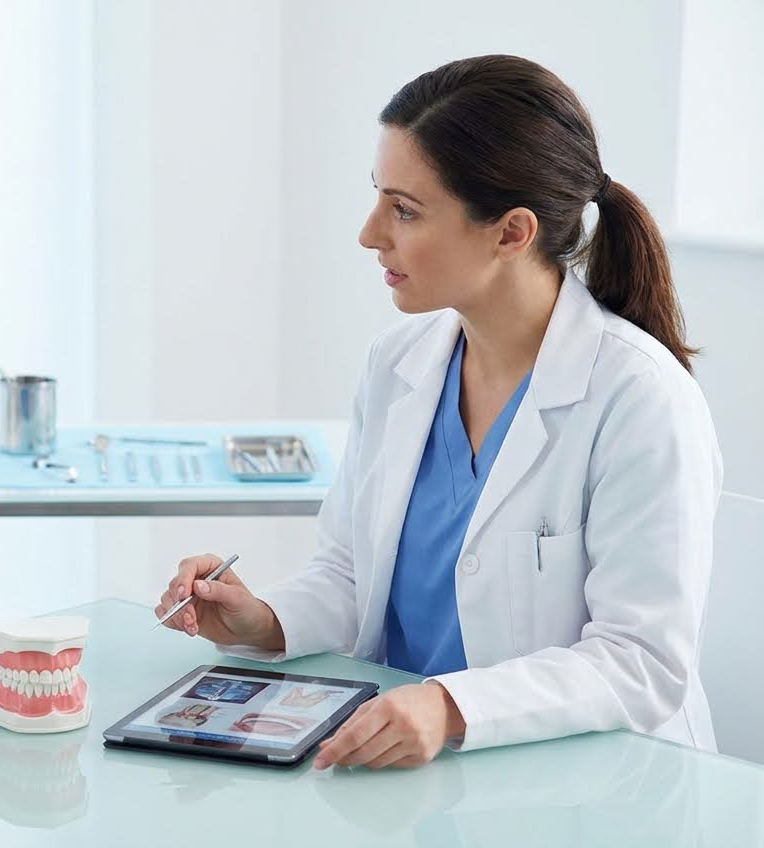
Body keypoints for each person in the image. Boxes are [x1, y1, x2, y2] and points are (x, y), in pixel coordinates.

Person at [155, 54, 721, 769]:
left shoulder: (640, 398)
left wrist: (452, 705)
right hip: (417, 772)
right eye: (378, 198)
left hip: (593, 787)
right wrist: (263, 619)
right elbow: (352, 576)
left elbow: (642, 663)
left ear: (511, 233)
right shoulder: (398, 364)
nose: (369, 233)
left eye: (405, 209)